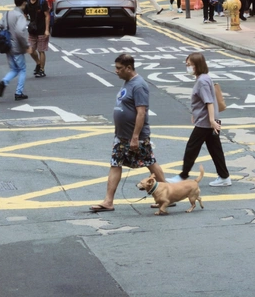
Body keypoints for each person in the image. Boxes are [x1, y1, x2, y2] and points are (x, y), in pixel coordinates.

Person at [89, 53, 167, 212]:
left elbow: (141, 113)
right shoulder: (128, 83)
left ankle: (167, 196)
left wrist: (135, 137)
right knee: (115, 164)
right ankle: (108, 201)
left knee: (150, 162)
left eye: (119, 68)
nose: (116, 71)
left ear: (129, 68)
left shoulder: (139, 85)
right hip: (121, 136)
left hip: (135, 136)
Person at [168, 53, 231, 187]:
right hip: (207, 120)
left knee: (192, 148)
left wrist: (212, 121)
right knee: (215, 149)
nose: (187, 67)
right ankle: (224, 177)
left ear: (197, 65)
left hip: (205, 122)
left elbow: (209, 102)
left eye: (189, 65)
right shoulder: (205, 78)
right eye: (187, 64)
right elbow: (203, 102)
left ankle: (183, 176)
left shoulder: (202, 81)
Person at [0, 0, 30, 101]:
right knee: (22, 69)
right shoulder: (20, 16)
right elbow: (19, 32)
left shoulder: (7, 14)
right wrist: (26, 45)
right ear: (24, 3)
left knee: (14, 69)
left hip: (7, 47)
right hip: (17, 48)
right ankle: (18, 92)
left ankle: (4, 81)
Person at [25, 0, 50, 77]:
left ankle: (42, 70)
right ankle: (38, 63)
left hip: (42, 29)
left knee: (41, 50)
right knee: (30, 50)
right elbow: (24, 15)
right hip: (32, 30)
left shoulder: (42, 1)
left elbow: (47, 16)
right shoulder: (27, 2)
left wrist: (47, 30)